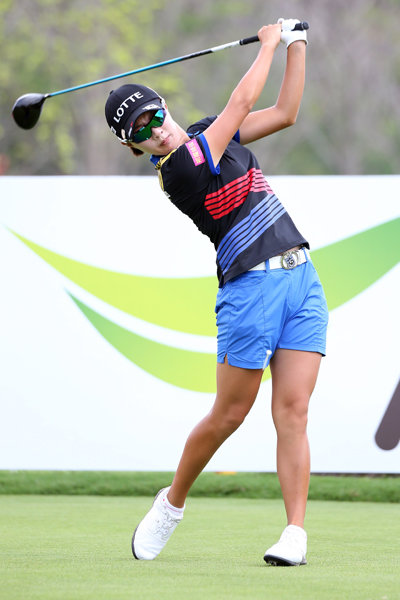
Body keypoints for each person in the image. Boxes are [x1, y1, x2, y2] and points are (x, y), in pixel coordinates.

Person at [105, 18, 328, 566]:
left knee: (294, 412)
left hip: (301, 279)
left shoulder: (208, 132)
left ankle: (294, 534)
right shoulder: (178, 170)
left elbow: (284, 113)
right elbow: (241, 101)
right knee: (229, 415)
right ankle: (171, 504)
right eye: (140, 132)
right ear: (134, 148)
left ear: (164, 106)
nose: (155, 131)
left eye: (154, 116)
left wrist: (297, 44)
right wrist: (269, 44)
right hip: (250, 291)